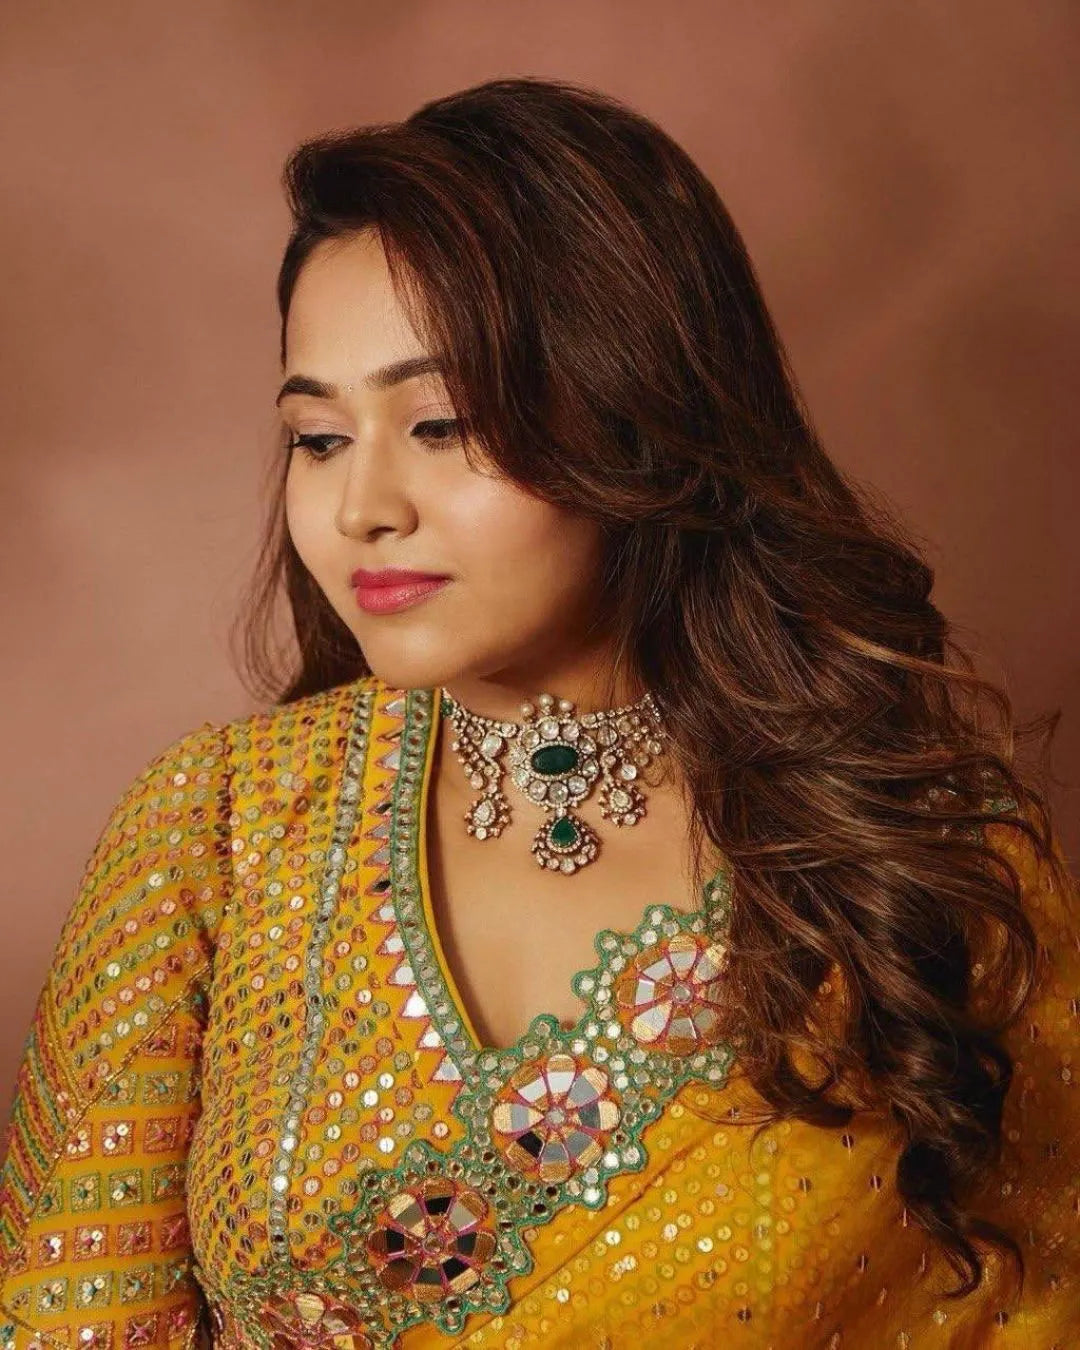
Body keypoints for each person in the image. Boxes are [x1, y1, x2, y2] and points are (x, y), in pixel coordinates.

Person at [1, 74, 1077, 1350]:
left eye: (442, 421)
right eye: (319, 437)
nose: (363, 510)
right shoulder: (223, 827)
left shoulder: (918, 868)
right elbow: (66, 1319)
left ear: (639, 410)